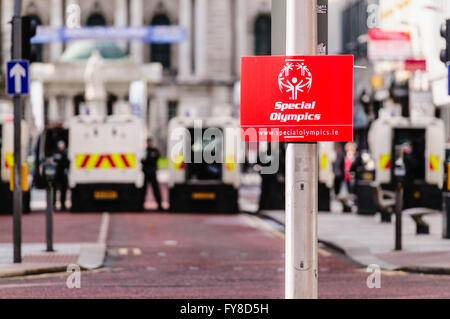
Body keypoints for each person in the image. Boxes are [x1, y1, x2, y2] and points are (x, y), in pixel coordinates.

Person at [142, 138, 163, 211]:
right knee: (143, 191)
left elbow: (157, 157)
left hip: (153, 173)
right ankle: (140, 206)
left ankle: (160, 206)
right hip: (146, 173)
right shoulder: (144, 151)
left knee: (156, 190)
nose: (148, 143)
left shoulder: (154, 150)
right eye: (147, 142)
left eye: (149, 142)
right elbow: (141, 160)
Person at [53, 140, 70, 211]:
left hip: (59, 174)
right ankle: (57, 205)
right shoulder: (63, 153)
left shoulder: (56, 153)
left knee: (62, 190)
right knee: (56, 190)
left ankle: (61, 205)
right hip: (59, 174)